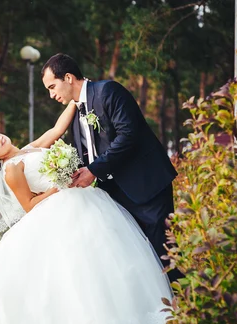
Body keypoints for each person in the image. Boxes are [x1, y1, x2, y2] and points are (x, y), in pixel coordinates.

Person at [0, 109, 174, 324]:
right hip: (59, 208)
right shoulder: (11, 170)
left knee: (106, 265)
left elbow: (57, 130)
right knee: (74, 274)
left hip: (86, 202)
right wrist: (58, 185)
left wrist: (74, 99)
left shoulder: (29, 149)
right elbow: (28, 205)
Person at [41, 53, 183, 282]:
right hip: (116, 196)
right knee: (137, 259)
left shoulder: (108, 91)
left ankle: (186, 309)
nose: (51, 94)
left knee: (163, 255)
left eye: (52, 86)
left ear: (68, 77)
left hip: (146, 186)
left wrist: (93, 171)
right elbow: (88, 155)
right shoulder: (76, 114)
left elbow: (129, 135)